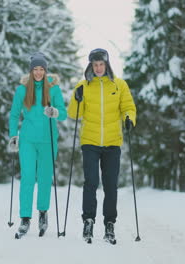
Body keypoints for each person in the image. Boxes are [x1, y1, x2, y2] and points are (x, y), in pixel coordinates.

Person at [67, 48, 136, 244]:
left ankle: (109, 224)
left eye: (101, 64)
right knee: (90, 182)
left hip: (113, 142)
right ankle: (88, 221)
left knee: (110, 185)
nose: (98, 68)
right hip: (90, 141)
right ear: (91, 65)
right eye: (95, 65)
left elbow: (128, 107)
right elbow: (74, 114)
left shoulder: (119, 85)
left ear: (107, 64)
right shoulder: (83, 86)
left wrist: (130, 119)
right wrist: (76, 98)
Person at [8, 52, 67, 239]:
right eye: (36, 69)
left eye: (42, 69)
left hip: (48, 140)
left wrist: (55, 111)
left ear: (46, 70)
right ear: (31, 70)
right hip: (27, 140)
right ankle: (25, 218)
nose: (39, 73)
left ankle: (43, 213)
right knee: (27, 178)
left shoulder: (54, 90)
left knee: (43, 179)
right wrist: (13, 136)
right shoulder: (22, 90)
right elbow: (14, 114)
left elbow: (64, 114)